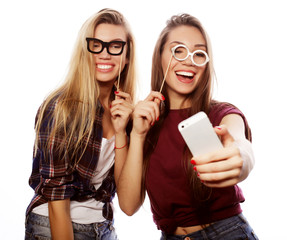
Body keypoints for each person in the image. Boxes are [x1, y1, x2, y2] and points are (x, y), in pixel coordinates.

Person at [117, 13, 259, 239]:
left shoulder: (220, 113)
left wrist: (242, 158)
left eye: (199, 53)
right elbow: (128, 205)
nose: (189, 60)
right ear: (160, 57)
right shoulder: (142, 123)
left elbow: (239, 141)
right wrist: (137, 134)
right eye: (178, 50)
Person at [25, 8, 136, 240]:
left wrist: (122, 132)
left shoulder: (125, 111)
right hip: (53, 223)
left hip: (102, 227)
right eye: (96, 45)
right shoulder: (61, 108)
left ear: (126, 56)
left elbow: (127, 202)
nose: (105, 54)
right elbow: (57, 200)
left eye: (116, 46)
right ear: (85, 51)